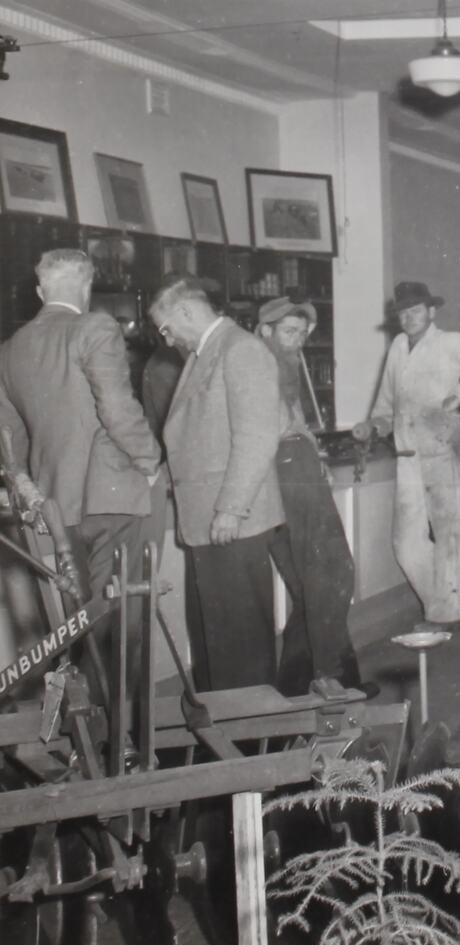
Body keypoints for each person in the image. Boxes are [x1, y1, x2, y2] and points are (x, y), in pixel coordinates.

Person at [0, 249, 162, 607]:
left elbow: (10, 439)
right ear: (87, 287)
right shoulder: (95, 327)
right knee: (125, 616)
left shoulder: (8, 351)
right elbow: (116, 409)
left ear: (41, 292)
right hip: (114, 494)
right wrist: (149, 462)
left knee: (85, 614)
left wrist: (34, 494)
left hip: (59, 504)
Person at [150, 275, 284, 691]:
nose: (167, 339)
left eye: (166, 328)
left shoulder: (241, 349)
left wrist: (231, 508)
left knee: (241, 646)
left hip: (230, 523)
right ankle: (224, 722)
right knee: (217, 642)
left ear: (186, 311)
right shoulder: (205, 353)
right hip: (208, 523)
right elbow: (200, 436)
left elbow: (257, 436)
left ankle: (251, 728)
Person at [353, 282, 460, 630]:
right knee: (405, 542)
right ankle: (447, 595)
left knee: (446, 531)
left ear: (431, 312)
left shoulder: (449, 342)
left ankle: (446, 612)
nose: (408, 318)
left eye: (415, 310)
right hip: (407, 452)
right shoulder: (398, 348)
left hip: (441, 446)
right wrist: (373, 425)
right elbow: (387, 403)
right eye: (403, 312)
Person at [257, 295, 368, 697]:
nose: (298, 340)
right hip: (286, 471)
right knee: (334, 571)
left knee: (311, 585)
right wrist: (302, 446)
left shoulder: (284, 363)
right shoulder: (261, 363)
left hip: (293, 467)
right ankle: (328, 675)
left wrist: (313, 454)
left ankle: (295, 684)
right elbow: (274, 427)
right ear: (265, 331)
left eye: (302, 333)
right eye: (289, 331)